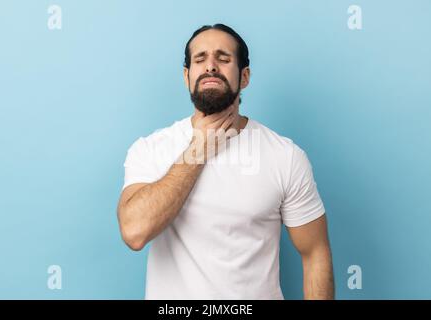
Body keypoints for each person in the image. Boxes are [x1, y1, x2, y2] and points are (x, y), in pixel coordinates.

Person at [117, 24, 334, 300]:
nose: (210, 66)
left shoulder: (285, 156)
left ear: (244, 77)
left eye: (223, 58)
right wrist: (199, 150)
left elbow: (315, 253)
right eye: (200, 59)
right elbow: (135, 232)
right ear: (187, 76)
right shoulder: (149, 150)